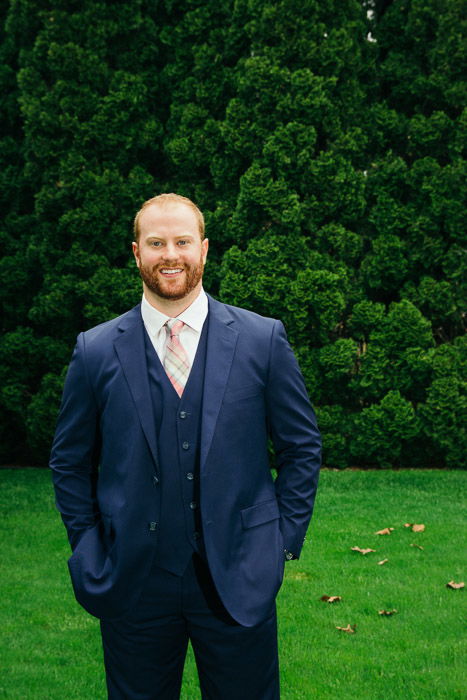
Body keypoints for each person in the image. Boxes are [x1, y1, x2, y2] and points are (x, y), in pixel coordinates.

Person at [50, 193, 321, 700]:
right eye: (156, 243)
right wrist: (88, 545)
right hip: (132, 579)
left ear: (204, 249)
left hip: (239, 572)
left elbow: (301, 447)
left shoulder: (262, 340)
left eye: (182, 241)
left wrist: (281, 539)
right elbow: (69, 462)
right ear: (136, 253)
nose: (169, 254)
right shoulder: (96, 349)